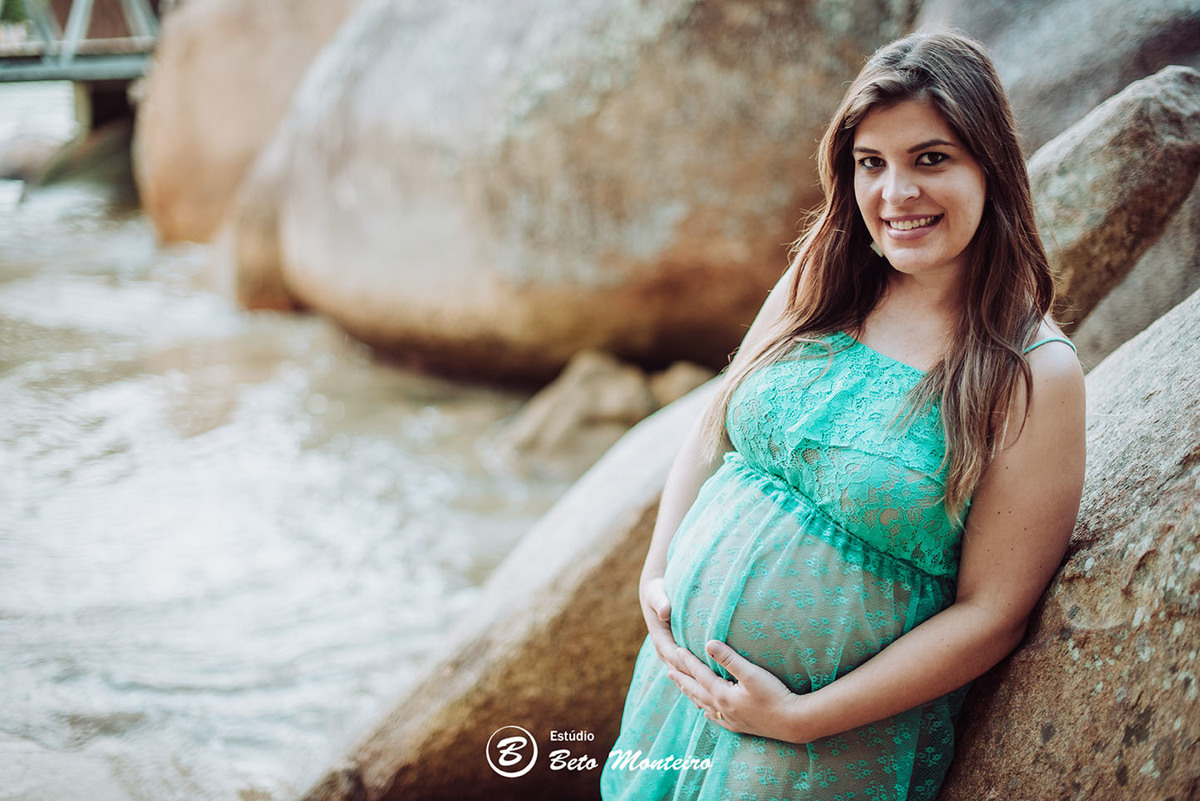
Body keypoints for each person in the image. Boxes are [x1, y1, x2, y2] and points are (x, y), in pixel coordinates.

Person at [600, 29, 1086, 801]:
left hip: (821, 749)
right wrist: (657, 573)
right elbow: (714, 423)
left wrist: (800, 717)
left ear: (990, 165)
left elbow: (992, 613)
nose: (896, 195)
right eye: (872, 163)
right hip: (678, 696)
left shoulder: (1031, 371)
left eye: (931, 159)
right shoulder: (820, 276)